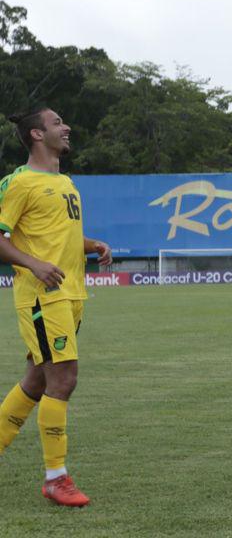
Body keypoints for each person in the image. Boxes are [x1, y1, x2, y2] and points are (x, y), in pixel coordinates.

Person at [0, 107, 113, 507]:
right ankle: (55, 477)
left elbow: (56, 238)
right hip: (41, 295)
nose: (66, 127)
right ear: (36, 134)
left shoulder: (64, 181)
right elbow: (2, 238)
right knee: (63, 379)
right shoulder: (20, 182)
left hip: (70, 295)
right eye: (56, 123)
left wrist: (93, 244)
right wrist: (32, 264)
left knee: (36, 380)